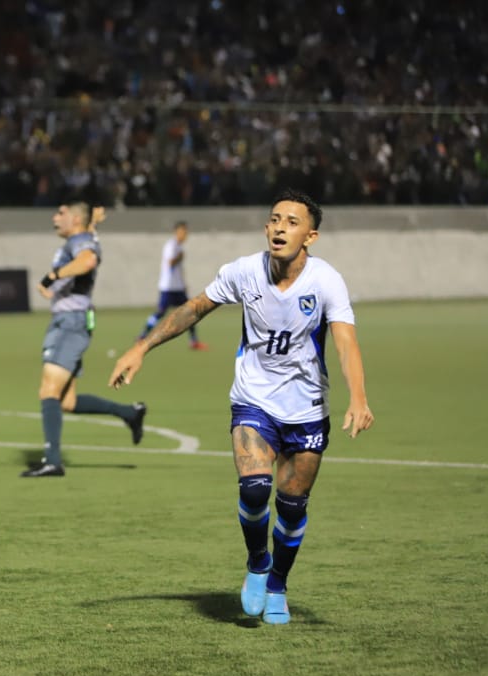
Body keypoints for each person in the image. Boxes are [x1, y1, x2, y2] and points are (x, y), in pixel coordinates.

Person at [109, 189, 375, 625]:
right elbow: (194, 308)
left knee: (292, 506)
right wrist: (141, 347)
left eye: (292, 222)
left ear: (310, 237)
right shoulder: (244, 271)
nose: (280, 228)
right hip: (254, 398)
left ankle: (278, 584)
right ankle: (257, 562)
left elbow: (346, 343)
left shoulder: (326, 281)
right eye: (275, 219)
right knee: (254, 489)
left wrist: (358, 397)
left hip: (306, 408)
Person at [21, 202, 146, 478]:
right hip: (71, 321)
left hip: (70, 323)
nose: (55, 217)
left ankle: (52, 461)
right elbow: (88, 247)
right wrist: (93, 224)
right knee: (66, 401)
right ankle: (130, 413)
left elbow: (88, 260)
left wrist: (52, 276)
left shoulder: (79, 241)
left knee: (48, 390)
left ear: (76, 219)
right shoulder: (82, 237)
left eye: (61, 213)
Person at [137, 220, 208, 350]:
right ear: (176, 232)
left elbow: (178, 269)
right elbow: (170, 263)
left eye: (186, 232)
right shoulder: (171, 246)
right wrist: (179, 257)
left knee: (191, 311)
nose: (185, 234)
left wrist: (183, 283)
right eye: (182, 231)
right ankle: (142, 336)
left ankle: (194, 341)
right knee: (160, 312)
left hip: (178, 287)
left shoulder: (179, 247)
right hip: (168, 287)